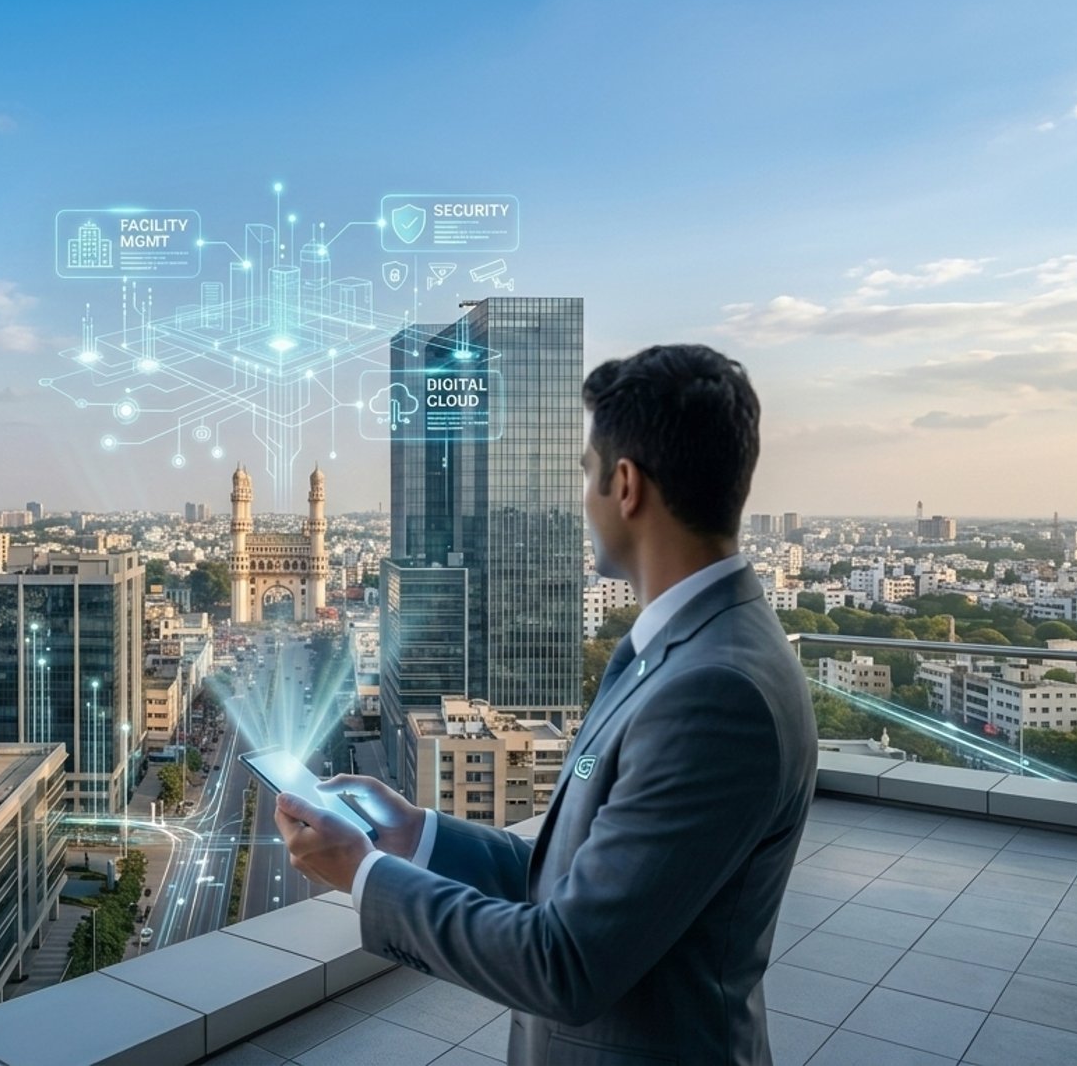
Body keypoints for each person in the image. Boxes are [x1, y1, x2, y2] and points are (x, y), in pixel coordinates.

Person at [276, 344, 816, 1065]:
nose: (582, 495)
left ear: (626, 485)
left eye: (587, 473)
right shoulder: (688, 650)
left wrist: (363, 871)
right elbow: (581, 883)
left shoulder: (715, 691)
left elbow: (566, 961)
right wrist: (418, 835)